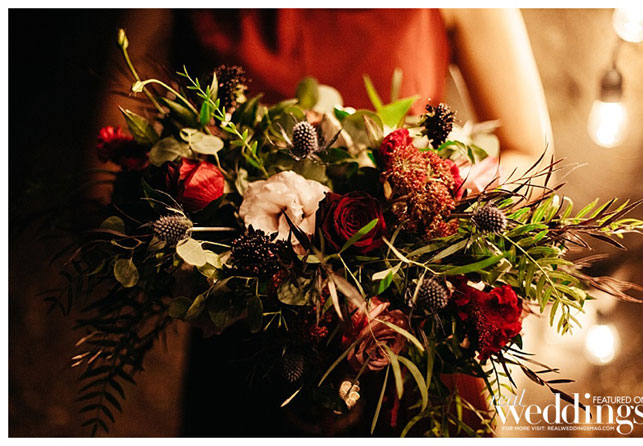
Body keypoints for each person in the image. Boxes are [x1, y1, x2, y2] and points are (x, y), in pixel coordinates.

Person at [90, 9, 554, 436]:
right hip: (249, 331)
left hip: (401, 334)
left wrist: (435, 201)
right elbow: (117, 151)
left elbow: (530, 151)